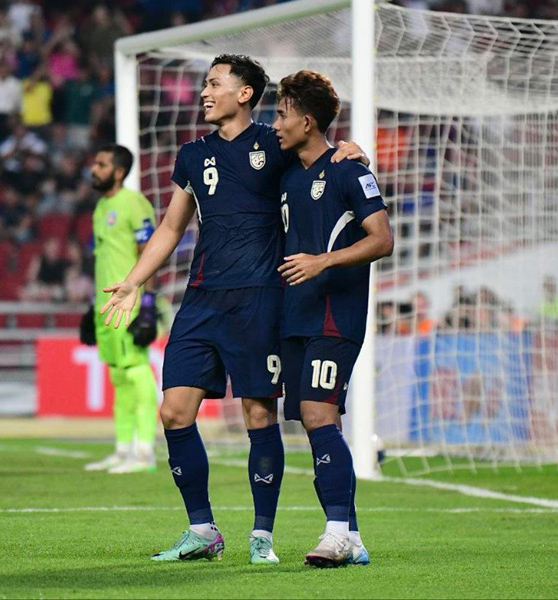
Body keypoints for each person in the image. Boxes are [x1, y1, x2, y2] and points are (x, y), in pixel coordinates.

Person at [101, 54, 367, 565]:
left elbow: (321, 153)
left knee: (258, 413)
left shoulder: (276, 142)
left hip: (261, 297)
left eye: (214, 83)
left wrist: (353, 151)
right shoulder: (192, 153)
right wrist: (135, 281)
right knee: (173, 412)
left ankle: (262, 535)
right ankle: (202, 529)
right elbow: (172, 227)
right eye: (205, 83)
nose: (204, 92)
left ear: (244, 94)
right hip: (202, 297)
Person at [273, 70, 393, 567]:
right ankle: (353, 535)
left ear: (307, 121)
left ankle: (336, 534)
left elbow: (382, 239)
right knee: (319, 423)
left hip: (334, 315)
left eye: (282, 114)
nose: (275, 123)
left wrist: (323, 261)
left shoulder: (348, 171)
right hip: (294, 315)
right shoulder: (285, 171)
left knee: (319, 415)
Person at [83, 145, 160, 474]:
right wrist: (92, 305)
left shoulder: (134, 203)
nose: (94, 168)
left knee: (136, 371)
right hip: (106, 306)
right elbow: (105, 258)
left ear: (118, 172)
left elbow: (149, 252)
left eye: (101, 164)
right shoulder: (102, 207)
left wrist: (148, 302)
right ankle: (124, 448)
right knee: (118, 375)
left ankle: (145, 451)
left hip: (129, 304)